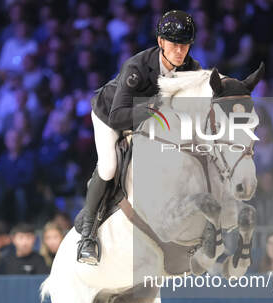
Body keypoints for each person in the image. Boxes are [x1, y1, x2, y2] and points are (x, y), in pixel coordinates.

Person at [78, 10, 201, 264]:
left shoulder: (191, 68)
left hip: (150, 121)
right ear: (160, 42)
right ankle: (87, 235)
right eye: (174, 44)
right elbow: (118, 117)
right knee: (110, 166)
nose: (180, 51)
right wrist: (155, 107)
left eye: (185, 45)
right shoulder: (137, 67)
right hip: (109, 114)